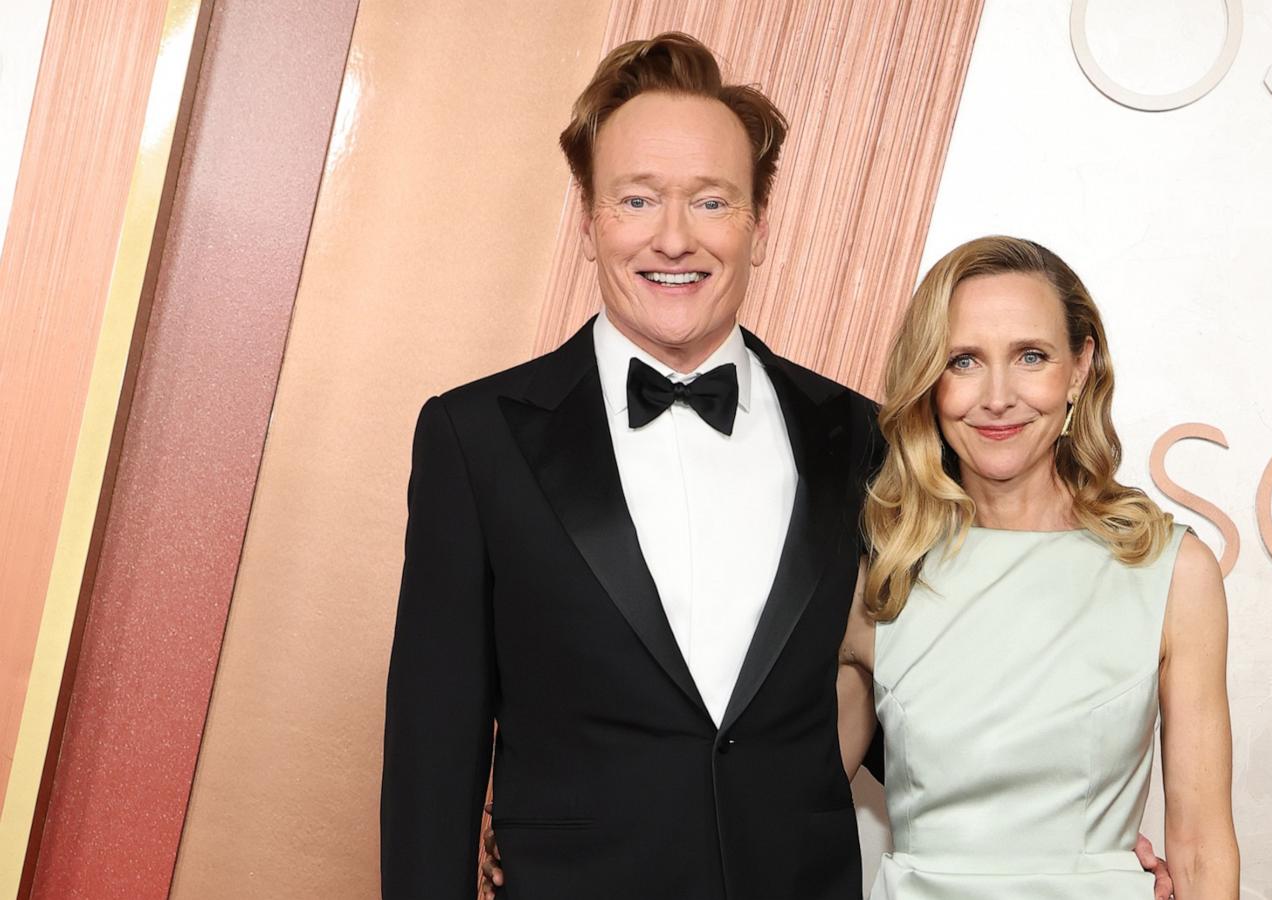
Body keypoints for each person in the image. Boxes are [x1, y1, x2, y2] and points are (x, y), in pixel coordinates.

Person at [379, 30, 1175, 900]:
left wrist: (1067, 843)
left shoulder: (863, 436)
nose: (675, 239)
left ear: (760, 221)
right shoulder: (476, 436)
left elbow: (924, 679)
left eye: (712, 202)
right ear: (588, 218)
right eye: (638, 200)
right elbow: (433, 746)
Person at [837, 236, 1240, 898]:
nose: (998, 397)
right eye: (964, 360)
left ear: (1080, 368)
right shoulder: (879, 578)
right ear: (930, 380)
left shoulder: (1171, 571)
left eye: (1031, 357)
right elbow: (786, 815)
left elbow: (1199, 849)